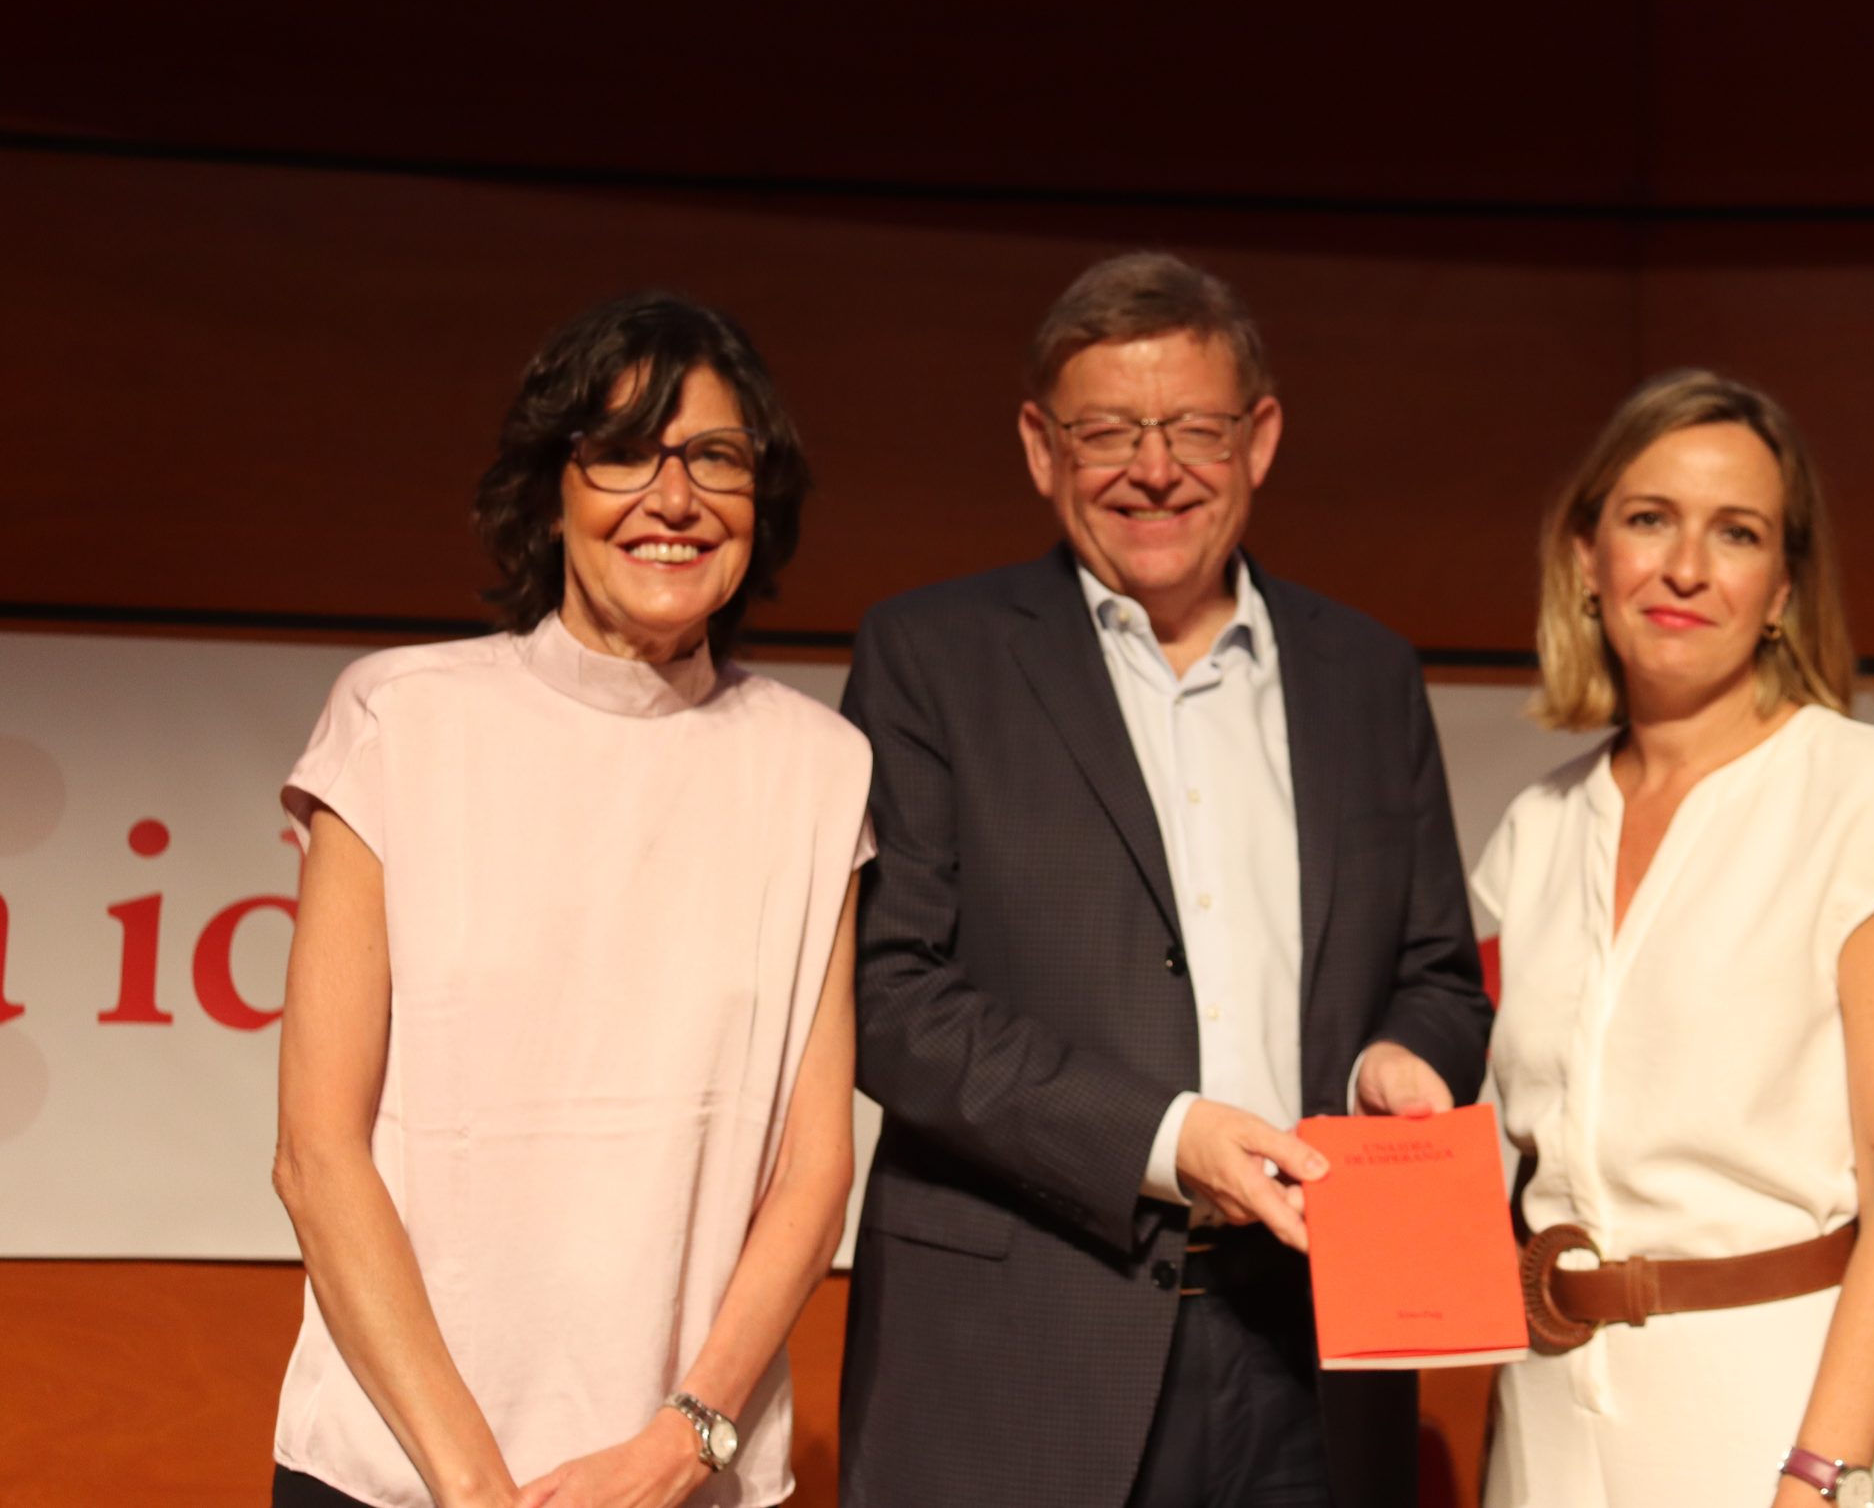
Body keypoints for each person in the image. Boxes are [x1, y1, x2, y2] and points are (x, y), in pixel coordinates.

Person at [837, 250, 1493, 1508]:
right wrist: (1166, 1139)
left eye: (1194, 428)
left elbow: (1432, 976)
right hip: (1024, 1344)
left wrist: (1393, 1067)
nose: (1154, 469)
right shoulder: (932, 658)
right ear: (1040, 445)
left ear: (1260, 437)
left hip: (1309, 1344)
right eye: (1107, 432)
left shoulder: (1365, 674)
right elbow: (892, 998)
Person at [267, 295, 870, 1508]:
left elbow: (813, 1172)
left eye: (715, 457)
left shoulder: (816, 766)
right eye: (624, 452)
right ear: (553, 491)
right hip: (398, 1476)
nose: (675, 497)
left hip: (680, 1482)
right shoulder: (400, 718)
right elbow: (317, 1155)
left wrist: (676, 1446)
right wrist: (475, 1487)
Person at [1475, 370, 1874, 1508]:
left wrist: (1817, 1472)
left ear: (1784, 587)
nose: (1685, 568)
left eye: (1734, 533)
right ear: (1586, 558)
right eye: (1649, 520)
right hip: (1548, 1410)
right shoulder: (1535, 830)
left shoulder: (1865, 792)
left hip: (1775, 1407)